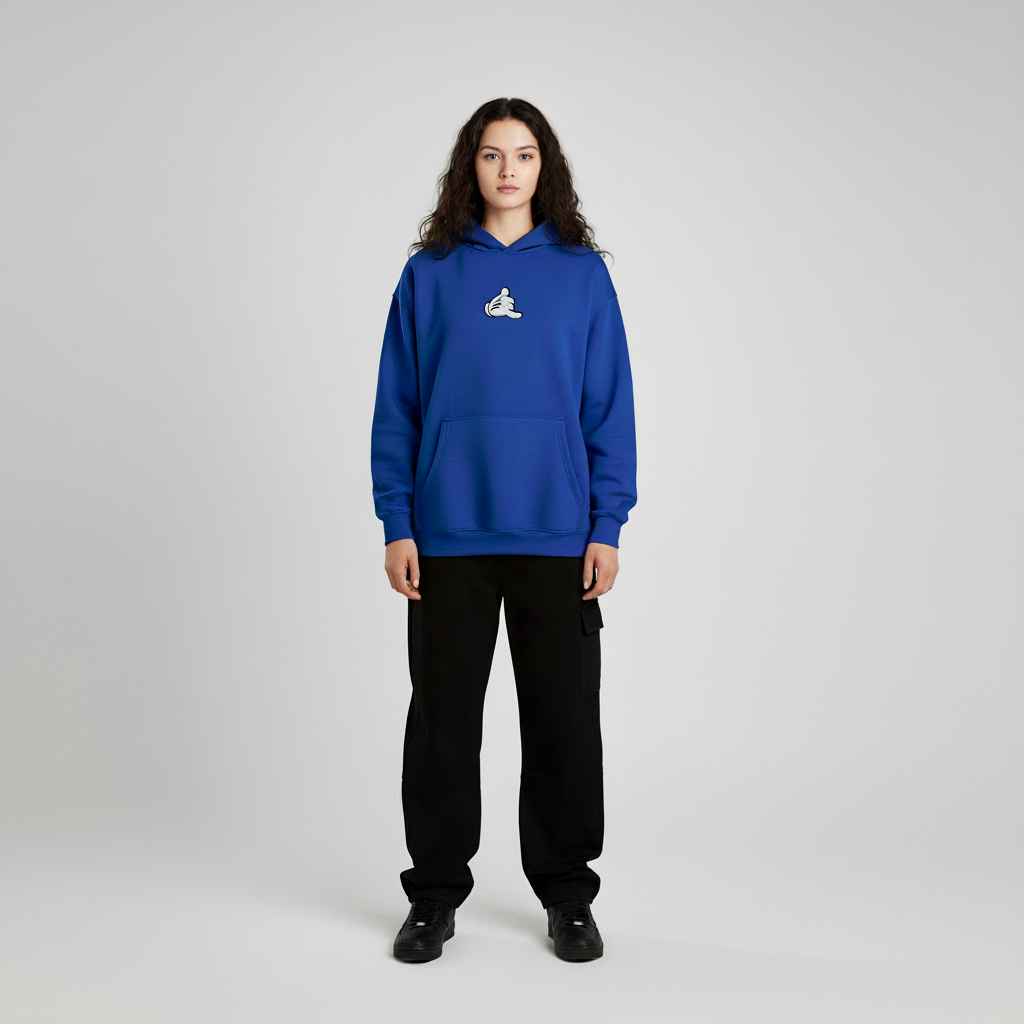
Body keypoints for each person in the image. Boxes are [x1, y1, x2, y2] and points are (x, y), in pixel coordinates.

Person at [370, 97, 637, 962]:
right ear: (470, 167)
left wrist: (606, 523)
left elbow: (608, 407)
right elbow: (398, 408)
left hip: (558, 537)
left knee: (563, 724)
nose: (508, 169)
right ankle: (433, 896)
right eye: (492, 154)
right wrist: (398, 521)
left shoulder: (582, 276)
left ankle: (568, 896)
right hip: (448, 535)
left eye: (524, 154)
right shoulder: (430, 274)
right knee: (442, 725)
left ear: (543, 166)